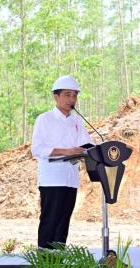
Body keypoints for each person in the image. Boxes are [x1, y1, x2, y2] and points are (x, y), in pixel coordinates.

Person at [31, 75, 93, 249]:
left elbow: (86, 143)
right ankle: (44, 260)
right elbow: (37, 149)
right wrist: (67, 151)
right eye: (67, 95)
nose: (72, 99)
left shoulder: (77, 121)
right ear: (56, 96)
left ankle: (58, 258)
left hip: (71, 179)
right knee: (50, 220)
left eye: (74, 95)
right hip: (52, 179)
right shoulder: (44, 119)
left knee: (63, 222)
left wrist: (96, 149)